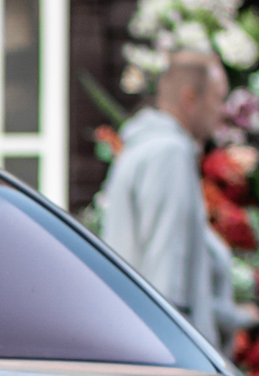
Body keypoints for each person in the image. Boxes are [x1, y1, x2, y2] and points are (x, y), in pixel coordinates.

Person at [97, 50, 240, 347]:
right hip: (170, 355)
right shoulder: (169, 153)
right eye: (217, 98)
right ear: (190, 99)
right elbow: (168, 271)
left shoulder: (146, 149)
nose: (224, 110)